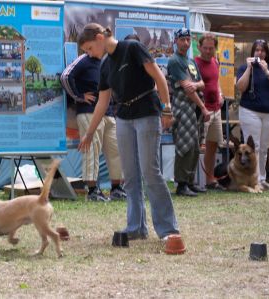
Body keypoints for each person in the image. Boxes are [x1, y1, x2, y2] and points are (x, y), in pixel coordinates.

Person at [77, 23, 180, 240]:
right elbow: (102, 103)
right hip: (123, 118)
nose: (90, 54)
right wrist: (88, 133)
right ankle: (136, 227)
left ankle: (168, 230)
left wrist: (167, 108)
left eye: (89, 49)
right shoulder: (105, 65)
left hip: (147, 113)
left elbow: (159, 78)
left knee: (150, 171)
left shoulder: (132, 47)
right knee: (130, 176)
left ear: (99, 37)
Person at [60, 53, 126, 201]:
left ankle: (117, 188)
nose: (90, 50)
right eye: (88, 47)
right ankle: (92, 190)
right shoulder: (84, 59)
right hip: (89, 111)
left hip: (107, 112)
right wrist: (79, 96)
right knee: (91, 150)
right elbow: (65, 77)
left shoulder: (106, 60)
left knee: (116, 149)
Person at [236, 39, 269, 190]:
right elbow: (241, 87)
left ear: (267, 53)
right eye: (257, 50)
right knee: (254, 147)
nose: (259, 53)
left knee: (263, 148)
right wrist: (249, 68)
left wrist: (266, 71)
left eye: (262, 50)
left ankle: (261, 179)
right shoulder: (244, 67)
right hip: (250, 112)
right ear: (252, 52)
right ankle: (253, 180)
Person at [167, 28, 210, 197]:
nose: (185, 43)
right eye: (182, 39)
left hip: (194, 108)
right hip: (183, 106)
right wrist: (203, 107)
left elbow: (201, 84)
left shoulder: (191, 61)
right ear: (176, 41)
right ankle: (181, 184)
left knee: (194, 146)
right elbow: (187, 88)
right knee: (184, 145)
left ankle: (190, 182)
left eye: (187, 39)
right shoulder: (175, 61)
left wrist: (198, 85)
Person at [194, 33, 226, 191]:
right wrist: (202, 107)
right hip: (203, 110)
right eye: (205, 48)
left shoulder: (215, 61)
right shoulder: (195, 62)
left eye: (211, 48)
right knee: (197, 146)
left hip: (216, 109)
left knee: (213, 146)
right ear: (199, 47)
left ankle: (210, 180)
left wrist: (220, 94)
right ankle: (190, 181)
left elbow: (216, 81)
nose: (208, 51)